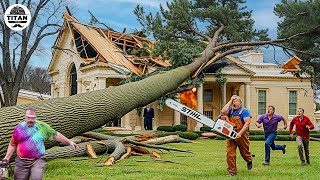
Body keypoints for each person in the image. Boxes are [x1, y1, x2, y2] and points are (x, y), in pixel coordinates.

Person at [2, 106, 78, 179]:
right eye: (28, 118)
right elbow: (12, 144)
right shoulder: (19, 128)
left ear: (36, 118)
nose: (30, 120)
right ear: (25, 117)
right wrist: (6, 159)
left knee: (36, 178)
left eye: (33, 118)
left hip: (38, 160)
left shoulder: (42, 127)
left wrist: (69, 142)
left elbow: (56, 135)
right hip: (22, 161)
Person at [221, 95, 253, 176]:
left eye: (235, 101)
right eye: (233, 101)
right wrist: (230, 100)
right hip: (231, 134)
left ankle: (249, 160)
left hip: (241, 135)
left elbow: (247, 123)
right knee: (230, 153)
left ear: (240, 103)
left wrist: (240, 133)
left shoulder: (244, 111)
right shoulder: (231, 110)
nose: (233, 103)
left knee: (244, 152)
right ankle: (232, 172)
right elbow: (223, 111)